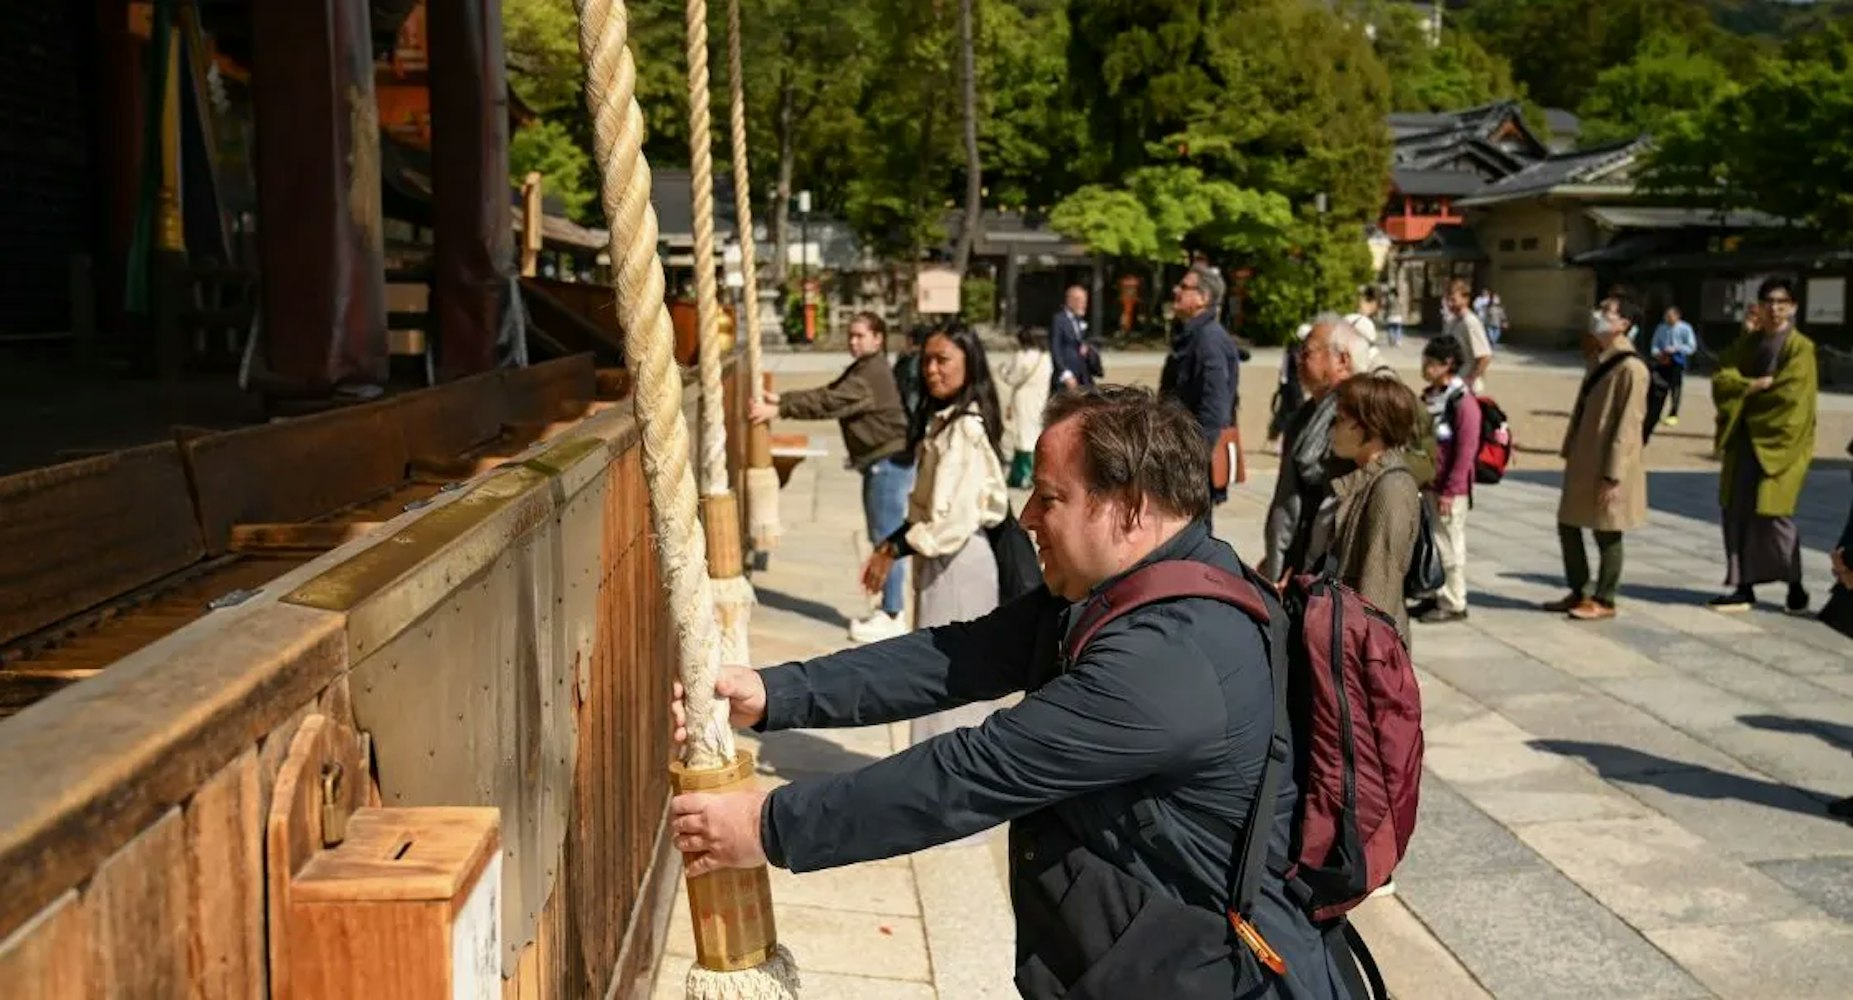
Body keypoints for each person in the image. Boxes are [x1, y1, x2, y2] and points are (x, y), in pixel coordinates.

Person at [667, 386, 1360, 998]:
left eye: (1051, 497)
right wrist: (772, 693)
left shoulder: (1167, 657)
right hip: (1145, 959)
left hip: (1212, 974)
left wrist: (767, 827)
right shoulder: (1129, 588)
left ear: (1128, 509)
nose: (1026, 516)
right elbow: (959, 656)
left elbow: (971, 772)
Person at [860, 324, 1010, 748]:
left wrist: (895, 547)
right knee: (936, 674)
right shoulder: (943, 422)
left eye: (943, 360)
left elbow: (950, 523)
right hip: (941, 561)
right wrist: (890, 547)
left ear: (969, 364)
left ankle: (950, 777)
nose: (931, 369)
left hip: (960, 561)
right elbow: (926, 508)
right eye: (927, 359)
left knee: (951, 680)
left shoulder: (966, 429)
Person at [752, 312, 913, 642]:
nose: (854, 341)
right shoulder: (865, 368)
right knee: (882, 536)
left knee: (886, 540)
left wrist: (781, 409)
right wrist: (783, 400)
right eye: (851, 335)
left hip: (888, 462)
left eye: (861, 336)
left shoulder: (871, 373)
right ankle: (888, 609)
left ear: (878, 339)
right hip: (881, 461)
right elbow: (828, 392)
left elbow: (829, 402)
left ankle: (892, 614)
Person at [1709, 276, 1819, 614]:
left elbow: (1791, 398)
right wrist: (1751, 386)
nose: (1774, 308)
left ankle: (1795, 585)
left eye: (1781, 302)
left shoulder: (1800, 348)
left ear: (1793, 307)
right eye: (1768, 301)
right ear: (1759, 306)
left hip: (1779, 445)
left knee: (1775, 518)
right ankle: (1743, 585)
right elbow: (1722, 375)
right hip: (1744, 443)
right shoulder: (1750, 342)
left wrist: (1747, 399)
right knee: (1737, 511)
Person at [1542, 300, 1649, 621]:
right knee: (1569, 522)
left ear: (1625, 324)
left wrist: (1613, 475)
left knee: (1607, 529)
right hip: (1585, 457)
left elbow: (1629, 426)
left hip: (1610, 462)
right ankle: (1580, 589)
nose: (1600, 316)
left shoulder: (1632, 368)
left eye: (1609, 312)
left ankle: (1606, 597)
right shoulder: (1598, 359)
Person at [1303, 375, 1423, 642]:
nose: (1332, 429)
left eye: (1340, 420)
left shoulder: (1391, 488)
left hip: (1360, 655)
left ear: (1368, 426)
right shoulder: (1355, 474)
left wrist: (1359, 662)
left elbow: (1378, 591)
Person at [1260, 316, 1369, 581]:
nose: (1299, 360)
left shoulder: (1358, 415)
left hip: (1325, 563)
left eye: (1307, 352)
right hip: (1294, 551)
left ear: (1342, 360)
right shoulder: (1306, 414)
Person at [1418, 336, 1482, 625]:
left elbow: (1466, 451)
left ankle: (1454, 600)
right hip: (1429, 483)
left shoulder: (1463, 402)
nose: (1425, 367)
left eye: (1431, 363)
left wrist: (1451, 489)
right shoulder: (1430, 397)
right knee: (1432, 543)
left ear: (1447, 365)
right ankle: (1434, 591)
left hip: (1449, 490)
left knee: (1449, 544)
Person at [1160, 268, 1240, 501]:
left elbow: (1214, 410)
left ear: (1203, 298)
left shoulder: (1209, 341)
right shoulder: (1191, 336)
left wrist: (1193, 464)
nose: (1176, 290)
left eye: (1185, 287)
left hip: (1192, 464)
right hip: (1180, 454)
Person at [998, 326, 1053, 488]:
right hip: (1040, 398)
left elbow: (1012, 378)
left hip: (1023, 399)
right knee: (1034, 433)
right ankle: (1026, 473)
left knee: (1022, 437)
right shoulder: (1046, 357)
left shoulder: (1022, 356)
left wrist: (1002, 371)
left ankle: (1024, 475)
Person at [1650, 306, 1698, 427]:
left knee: (1675, 388)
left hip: (1677, 360)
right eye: (1666, 316)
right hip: (1662, 360)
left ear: (1677, 316)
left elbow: (1691, 347)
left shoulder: (1685, 328)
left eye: (1670, 316)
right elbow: (1655, 344)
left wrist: (1677, 348)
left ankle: (1673, 413)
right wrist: (1657, 353)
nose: (1668, 318)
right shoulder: (1661, 328)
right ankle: (1655, 412)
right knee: (1658, 386)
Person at [1444, 279, 1493, 394]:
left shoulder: (1471, 322)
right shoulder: (1451, 322)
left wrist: (1471, 379)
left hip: (1466, 385)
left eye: (1453, 300)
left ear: (1465, 299)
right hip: (1452, 382)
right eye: (1447, 300)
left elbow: (1485, 356)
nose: (1450, 304)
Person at [1050, 285, 1095, 392]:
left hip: (1083, 376)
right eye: (1081, 301)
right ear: (1070, 301)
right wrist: (1065, 374)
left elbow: (1081, 341)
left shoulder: (1080, 319)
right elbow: (1055, 349)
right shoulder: (1059, 320)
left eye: (1085, 301)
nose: (1084, 305)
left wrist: (1086, 347)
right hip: (1067, 377)